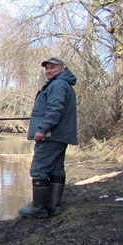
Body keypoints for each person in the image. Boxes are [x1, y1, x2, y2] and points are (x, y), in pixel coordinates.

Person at [19, 57, 78, 218]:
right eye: (46, 68)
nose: (48, 71)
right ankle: (53, 207)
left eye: (52, 67)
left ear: (62, 68)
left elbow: (55, 110)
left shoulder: (58, 85)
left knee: (39, 169)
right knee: (56, 169)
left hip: (51, 136)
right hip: (60, 136)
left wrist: (43, 130)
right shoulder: (64, 84)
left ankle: (38, 208)